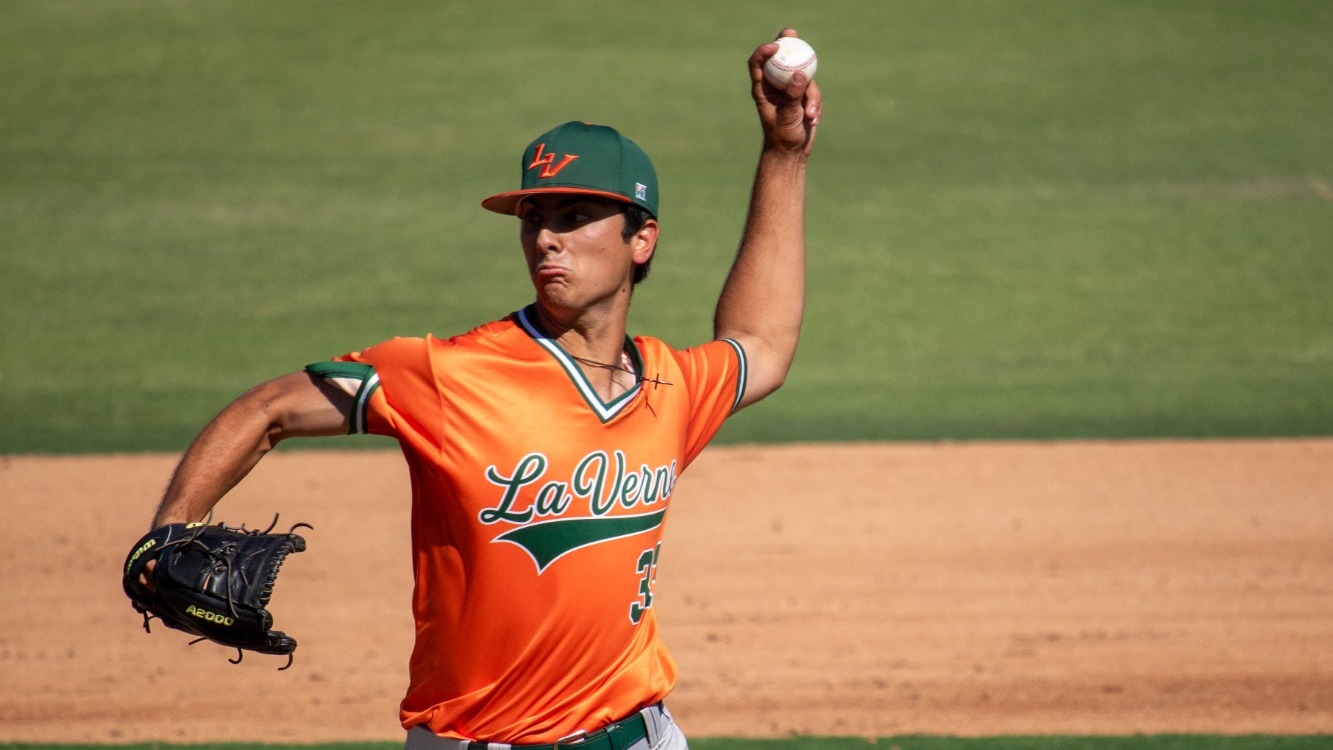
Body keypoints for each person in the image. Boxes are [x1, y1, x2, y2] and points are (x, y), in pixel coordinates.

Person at [146, 28, 821, 750]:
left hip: (642, 736)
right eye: (534, 220)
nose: (545, 240)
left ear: (641, 239)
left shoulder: (668, 384)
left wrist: (784, 153)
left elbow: (762, 345)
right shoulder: (449, 373)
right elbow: (269, 409)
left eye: (572, 218)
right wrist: (168, 531)